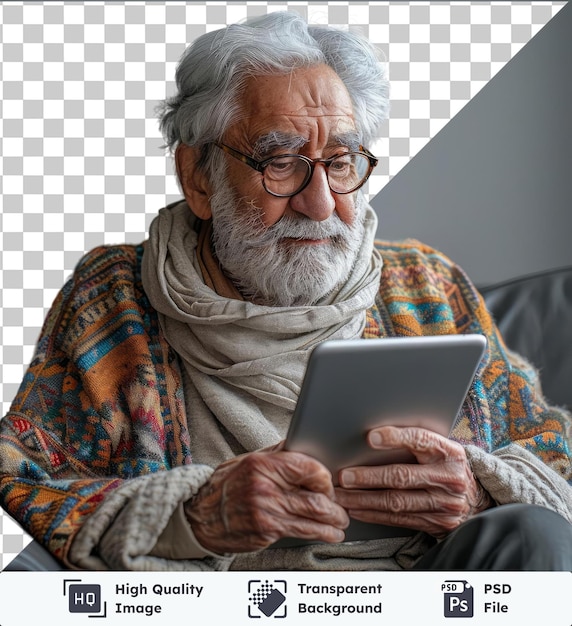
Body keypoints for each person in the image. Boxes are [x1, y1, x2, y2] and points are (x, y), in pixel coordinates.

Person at [1, 11, 571, 572]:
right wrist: (195, 512)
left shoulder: (428, 286)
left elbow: (553, 459)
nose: (320, 203)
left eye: (341, 162)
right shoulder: (114, 298)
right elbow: (22, 479)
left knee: (531, 533)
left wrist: (476, 491)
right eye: (281, 163)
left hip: (422, 591)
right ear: (199, 176)